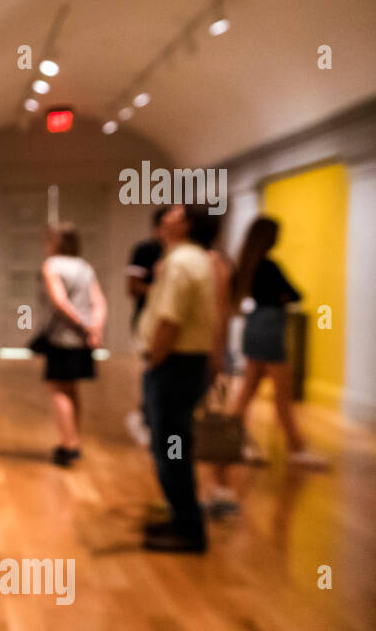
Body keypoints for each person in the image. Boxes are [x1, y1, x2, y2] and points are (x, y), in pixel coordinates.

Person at [138, 203, 216, 552]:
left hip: (174, 365)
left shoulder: (182, 262)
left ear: (187, 224)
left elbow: (170, 320)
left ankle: (188, 526)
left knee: (171, 446)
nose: (165, 218)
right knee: (172, 443)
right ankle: (181, 517)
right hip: (182, 364)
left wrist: (154, 360)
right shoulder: (191, 258)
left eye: (174, 214)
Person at [228, 216, 327, 468]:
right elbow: (294, 294)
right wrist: (282, 296)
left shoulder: (247, 265)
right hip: (270, 331)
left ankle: (234, 440)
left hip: (254, 328)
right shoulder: (269, 267)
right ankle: (297, 448)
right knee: (282, 393)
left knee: (248, 390)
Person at [40, 223, 107, 466]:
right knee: (73, 389)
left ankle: (69, 444)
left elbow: (59, 302)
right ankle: (72, 439)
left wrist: (82, 326)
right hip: (83, 339)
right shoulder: (84, 267)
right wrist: (95, 329)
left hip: (63, 338)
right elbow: (99, 301)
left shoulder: (52, 266)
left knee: (58, 389)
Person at [189, 211, 239, 516]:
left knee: (209, 423)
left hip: (206, 351)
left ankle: (220, 490)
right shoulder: (212, 259)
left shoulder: (211, 262)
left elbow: (219, 310)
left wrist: (216, 352)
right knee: (202, 422)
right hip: (205, 349)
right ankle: (209, 490)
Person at [123, 208, 168, 446]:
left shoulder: (182, 254)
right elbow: (132, 287)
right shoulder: (146, 251)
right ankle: (147, 417)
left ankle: (154, 417)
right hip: (148, 319)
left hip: (174, 323)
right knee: (151, 367)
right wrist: (162, 291)